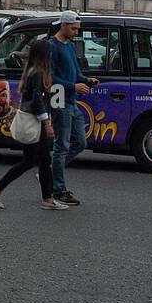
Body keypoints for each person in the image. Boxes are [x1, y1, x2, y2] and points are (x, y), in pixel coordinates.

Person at [0, 39, 68, 211]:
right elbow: (37, 101)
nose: (51, 54)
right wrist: (47, 123)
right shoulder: (38, 73)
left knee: (40, 160)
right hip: (35, 121)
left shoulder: (30, 70)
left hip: (32, 119)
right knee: (35, 161)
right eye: (49, 52)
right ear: (45, 55)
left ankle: (47, 198)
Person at [49, 11, 98, 207]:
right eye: (73, 28)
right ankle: (58, 189)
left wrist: (86, 80)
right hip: (59, 99)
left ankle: (53, 173)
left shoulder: (69, 46)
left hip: (71, 100)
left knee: (80, 142)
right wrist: (74, 86)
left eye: (78, 29)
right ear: (63, 25)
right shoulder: (52, 47)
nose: (76, 32)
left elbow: (75, 72)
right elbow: (50, 78)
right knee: (62, 145)